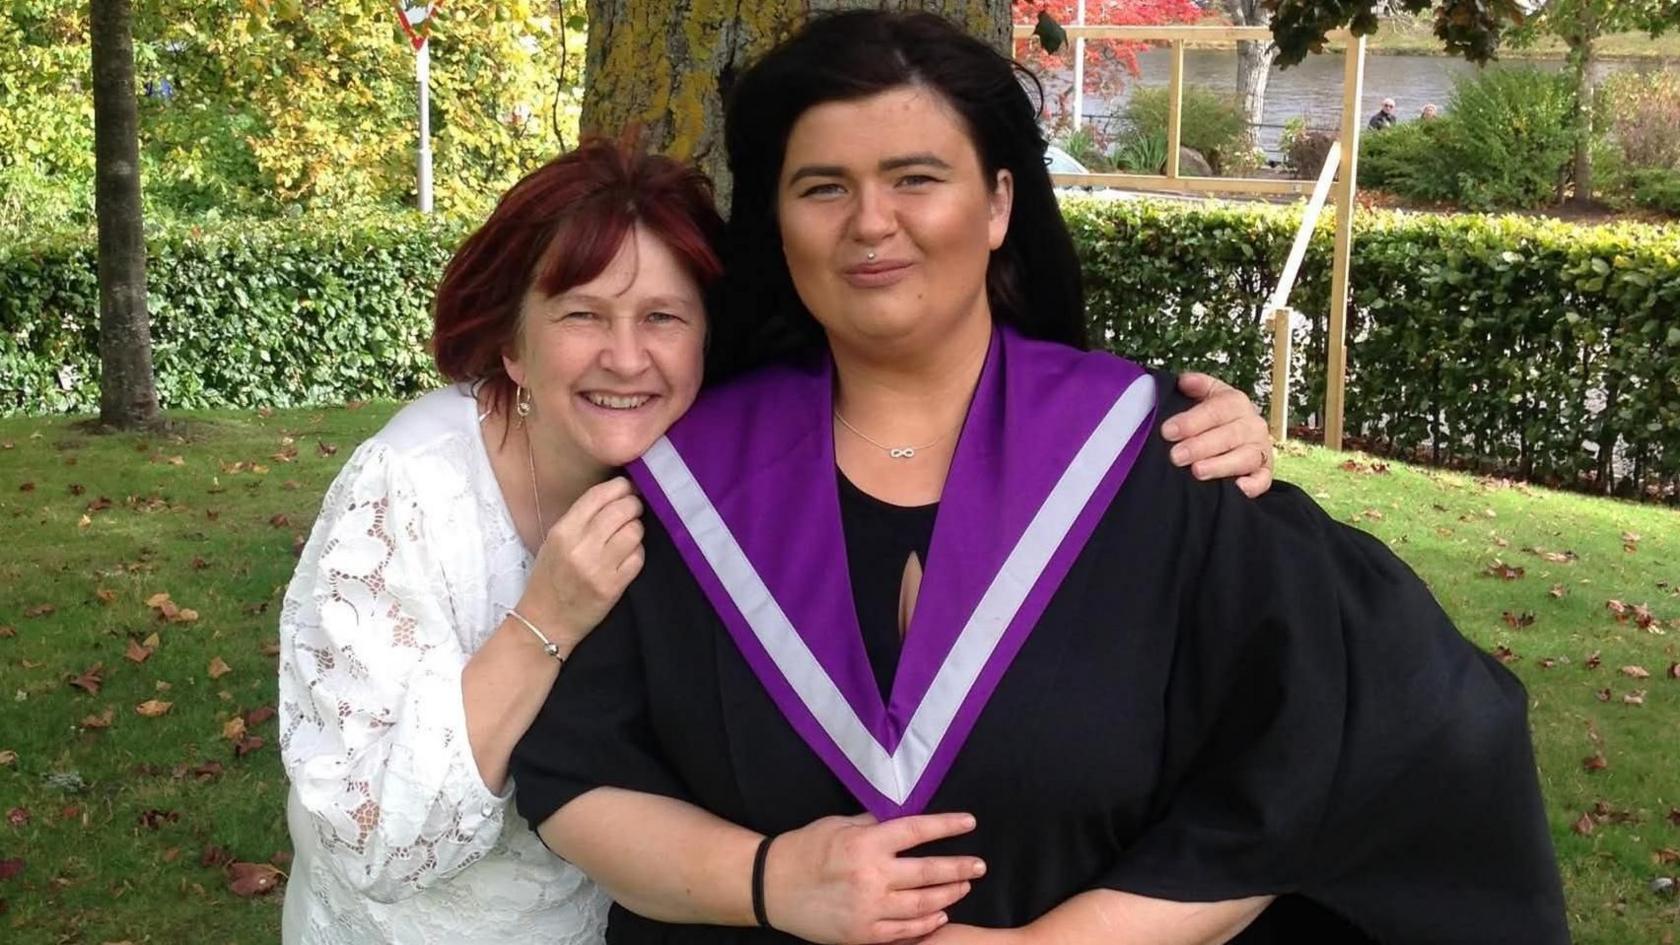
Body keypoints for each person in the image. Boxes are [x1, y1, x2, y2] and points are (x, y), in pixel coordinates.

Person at [509, 11, 1569, 945]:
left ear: (1001, 202)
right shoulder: (688, 487)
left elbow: (1326, 755)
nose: (871, 223)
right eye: (822, 187)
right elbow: (577, 773)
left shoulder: (1156, 463)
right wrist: (768, 880)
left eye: (916, 179)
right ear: (778, 227)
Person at [276, 137, 1276, 943]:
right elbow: (377, 844)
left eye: (663, 316)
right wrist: (546, 618)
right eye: (583, 315)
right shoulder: (408, 492)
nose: (627, 357)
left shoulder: (702, 467)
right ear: (511, 342)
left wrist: (1204, 426)